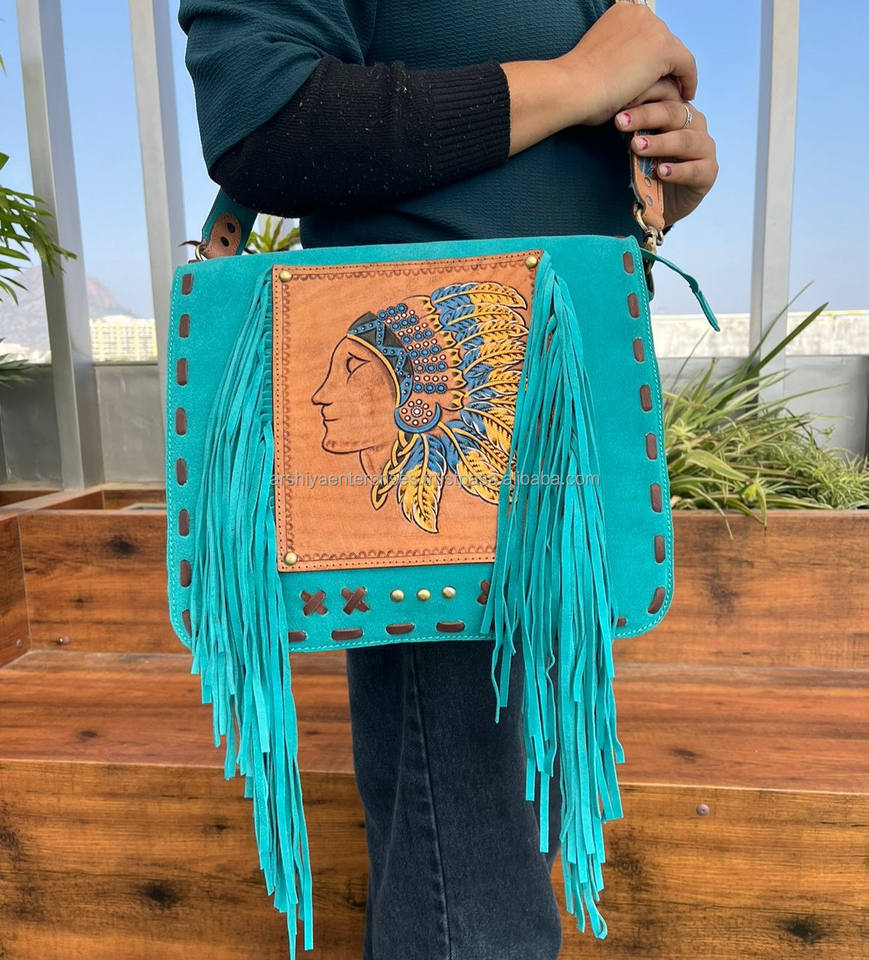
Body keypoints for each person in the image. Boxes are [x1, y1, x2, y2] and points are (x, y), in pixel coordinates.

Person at [178, 2, 718, 958]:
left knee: (491, 844)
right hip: (444, 505)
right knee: (473, 885)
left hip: (557, 448)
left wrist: (648, 170)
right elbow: (262, 115)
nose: (323, 395)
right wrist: (581, 81)